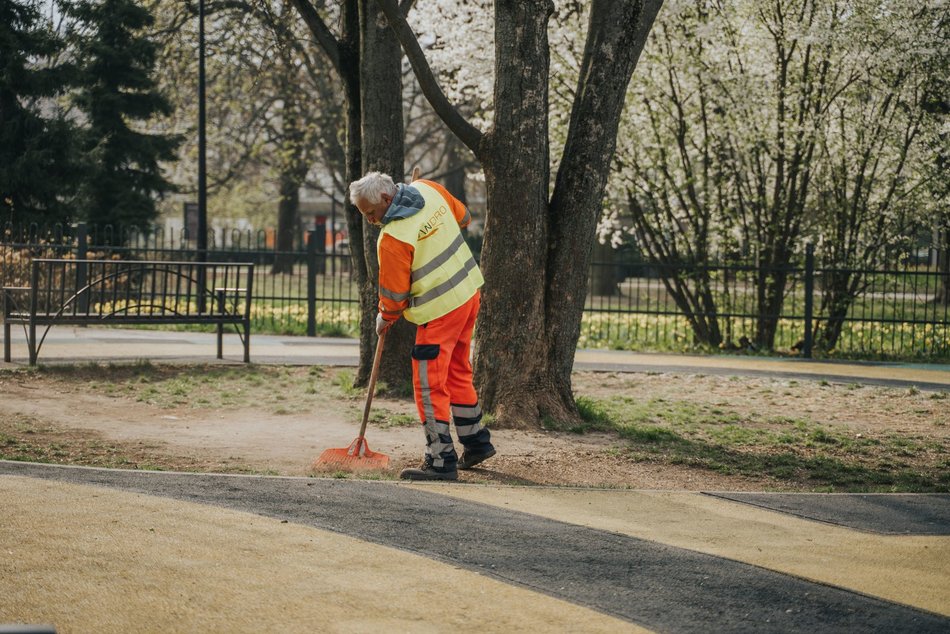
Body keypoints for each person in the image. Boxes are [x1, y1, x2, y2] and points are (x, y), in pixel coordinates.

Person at [348, 171, 495, 481]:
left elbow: (395, 296)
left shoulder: (392, 238)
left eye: (371, 213)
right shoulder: (428, 189)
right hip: (468, 294)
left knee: (429, 386)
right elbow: (465, 217)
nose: (371, 221)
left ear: (387, 199)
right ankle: (476, 442)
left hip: (439, 312)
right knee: (457, 371)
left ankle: (441, 461)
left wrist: (384, 317)